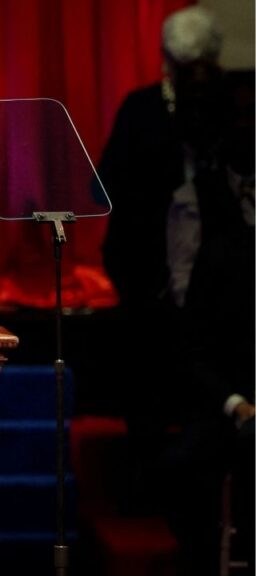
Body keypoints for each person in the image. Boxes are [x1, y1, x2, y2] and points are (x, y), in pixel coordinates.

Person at [98, 6, 254, 575]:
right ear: (169, 62)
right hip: (148, 266)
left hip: (213, 270)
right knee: (147, 379)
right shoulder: (142, 108)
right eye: (187, 66)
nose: (196, 75)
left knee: (201, 378)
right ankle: (147, 490)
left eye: (203, 65)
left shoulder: (226, 106)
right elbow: (111, 184)